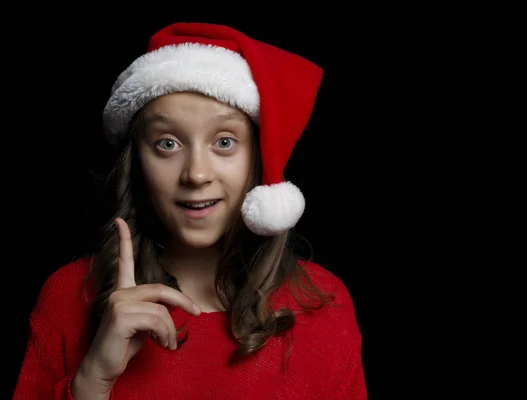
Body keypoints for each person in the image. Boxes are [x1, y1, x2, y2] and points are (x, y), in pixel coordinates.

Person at [13, 22, 367, 399]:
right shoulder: (68, 296)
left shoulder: (323, 304)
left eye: (225, 142)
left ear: (257, 159)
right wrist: (93, 380)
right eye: (167, 143)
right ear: (137, 162)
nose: (196, 173)